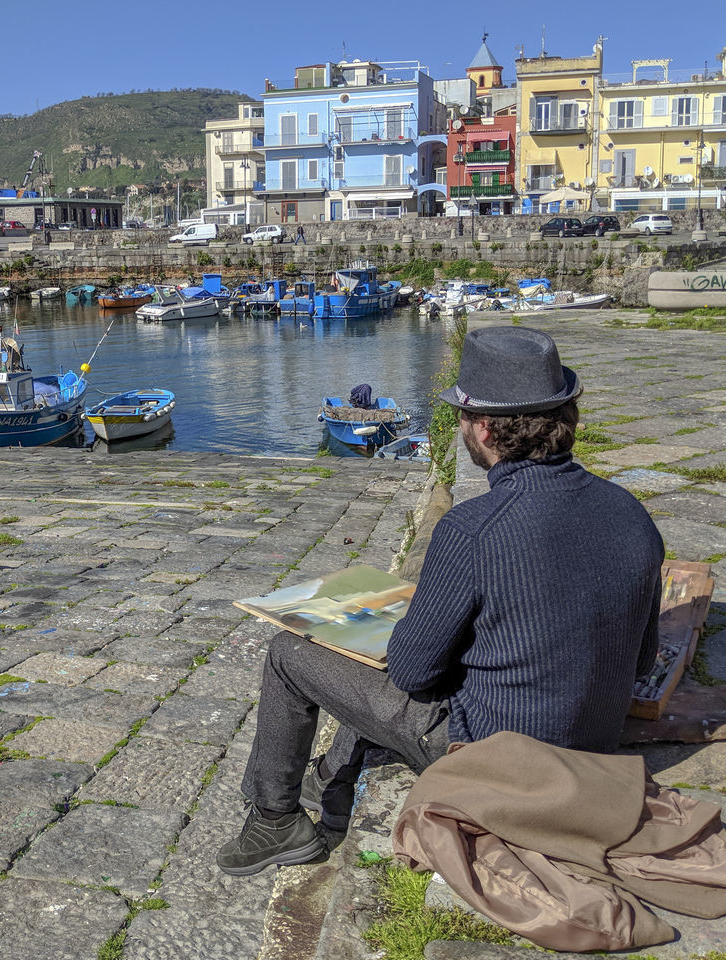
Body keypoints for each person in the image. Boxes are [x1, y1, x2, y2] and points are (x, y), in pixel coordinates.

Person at [217, 325, 664, 876]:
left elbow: (412, 672)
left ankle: (274, 821)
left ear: (482, 429)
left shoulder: (473, 528)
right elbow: (642, 660)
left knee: (290, 654)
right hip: (593, 739)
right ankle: (328, 779)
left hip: (495, 755)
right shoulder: (630, 512)